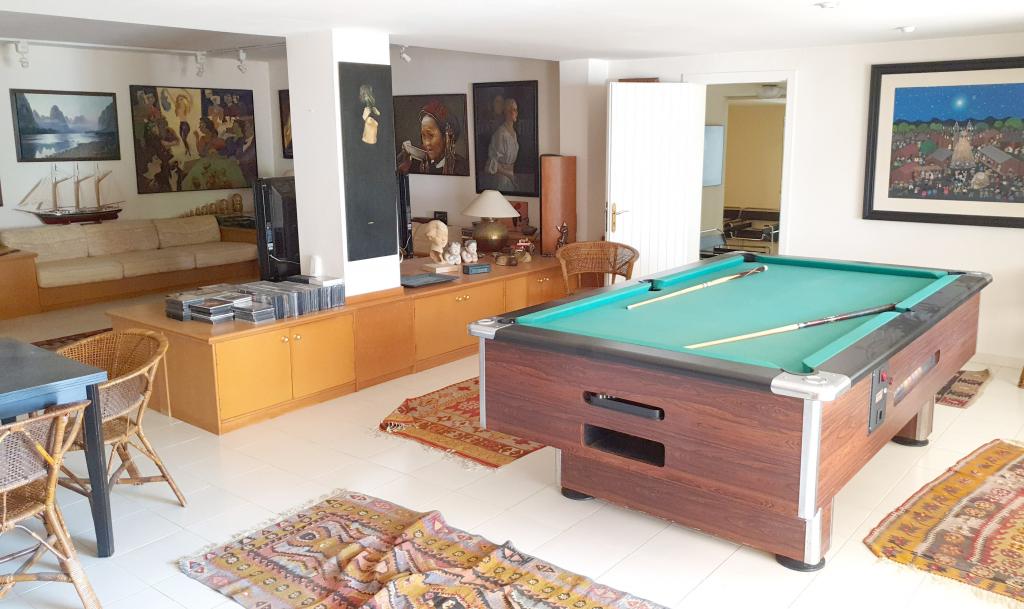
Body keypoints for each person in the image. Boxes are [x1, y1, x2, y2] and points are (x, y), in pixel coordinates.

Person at [397, 99, 468, 176]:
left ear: (446, 137)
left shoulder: (462, 168)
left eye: (430, 135)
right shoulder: (417, 165)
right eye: (423, 136)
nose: (426, 143)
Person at [486, 98, 519, 191]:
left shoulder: (514, 133)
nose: (515, 112)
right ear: (506, 112)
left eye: (516, 110)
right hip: (502, 179)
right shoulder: (501, 134)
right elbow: (493, 163)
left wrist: (512, 175)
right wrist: (510, 175)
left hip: (511, 176)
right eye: (512, 109)